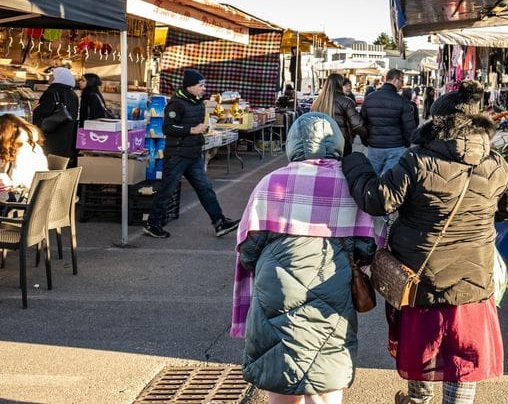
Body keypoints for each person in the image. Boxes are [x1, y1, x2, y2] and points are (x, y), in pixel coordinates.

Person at [342, 80, 508, 404]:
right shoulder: (496, 164)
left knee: (422, 357)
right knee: (462, 363)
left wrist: (355, 162)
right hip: (472, 285)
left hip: (421, 282)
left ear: (436, 124)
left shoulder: (418, 161)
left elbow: (376, 200)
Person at [232, 113, 379, 404]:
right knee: (326, 369)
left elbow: (248, 251)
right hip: (334, 286)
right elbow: (366, 247)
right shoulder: (350, 184)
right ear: (337, 142)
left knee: (280, 366)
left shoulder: (271, 182)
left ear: (293, 144)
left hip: (277, 288)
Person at [144, 69, 238, 239]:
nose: (204, 88)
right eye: (200, 85)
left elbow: (195, 125)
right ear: (190, 86)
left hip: (193, 153)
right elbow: (168, 128)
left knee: (205, 188)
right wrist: (192, 130)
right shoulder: (176, 104)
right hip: (177, 155)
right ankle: (153, 224)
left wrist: (201, 130)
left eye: (204, 85)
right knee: (167, 189)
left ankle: (219, 222)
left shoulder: (198, 102)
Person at [360, 69, 416, 175]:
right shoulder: (402, 101)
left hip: (375, 146)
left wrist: (365, 140)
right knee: (391, 180)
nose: (402, 84)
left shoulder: (370, 98)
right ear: (395, 80)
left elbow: (361, 123)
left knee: (372, 178)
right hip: (396, 147)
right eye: (401, 80)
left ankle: (371, 192)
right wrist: (407, 142)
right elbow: (409, 127)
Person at [310, 73, 367, 155]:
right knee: (341, 166)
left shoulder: (316, 103)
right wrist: (365, 138)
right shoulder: (346, 101)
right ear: (340, 84)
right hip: (341, 143)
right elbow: (358, 124)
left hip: (320, 143)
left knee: (325, 166)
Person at [31, 66, 79, 164]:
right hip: (66, 133)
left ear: (59, 77)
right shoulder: (73, 94)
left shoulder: (52, 92)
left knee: (48, 159)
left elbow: (43, 111)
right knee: (60, 161)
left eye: (53, 76)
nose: (50, 78)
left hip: (51, 133)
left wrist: (35, 110)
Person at [0, 114, 47, 194]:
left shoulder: (21, 151)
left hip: (24, 196)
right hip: (37, 195)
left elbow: (16, 183)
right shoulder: (32, 145)